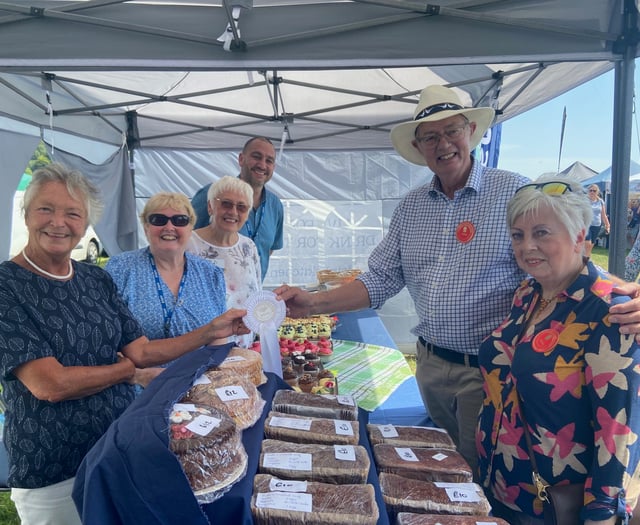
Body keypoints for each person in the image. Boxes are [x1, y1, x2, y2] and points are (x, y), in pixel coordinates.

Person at [274, 84, 640, 476]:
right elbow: (380, 278)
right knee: (438, 470)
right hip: (430, 364)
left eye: (452, 131)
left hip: (490, 368)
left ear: (470, 133)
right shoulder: (412, 207)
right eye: (430, 136)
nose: (442, 143)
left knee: (481, 473)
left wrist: (618, 292)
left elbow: (564, 252)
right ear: (419, 147)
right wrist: (311, 303)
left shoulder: (512, 191)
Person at [0, 164, 249, 525]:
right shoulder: (7, 285)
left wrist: (210, 331)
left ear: (85, 224)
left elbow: (142, 351)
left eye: (73, 213)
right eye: (46, 209)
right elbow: (50, 384)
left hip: (119, 448)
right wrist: (126, 372)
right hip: (53, 467)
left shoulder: (94, 279)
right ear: (26, 214)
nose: (59, 222)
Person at [476, 175, 640, 525]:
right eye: (518, 235)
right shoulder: (528, 294)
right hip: (499, 482)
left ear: (580, 235)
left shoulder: (610, 309)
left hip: (550, 506)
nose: (526, 246)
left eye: (541, 233)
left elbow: (618, 431)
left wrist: (602, 514)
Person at [105, 192, 228, 377]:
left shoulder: (210, 274)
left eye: (180, 220)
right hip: (138, 389)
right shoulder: (120, 269)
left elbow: (219, 339)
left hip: (199, 388)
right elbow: (106, 340)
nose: (169, 227)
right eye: (158, 219)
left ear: (190, 228)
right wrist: (136, 376)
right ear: (146, 227)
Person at [191, 136, 284, 281]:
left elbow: (268, 249)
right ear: (241, 159)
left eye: (269, 161)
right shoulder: (213, 194)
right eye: (256, 157)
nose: (262, 165)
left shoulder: (275, 205)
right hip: (209, 294)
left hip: (250, 296)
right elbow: (186, 238)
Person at [187, 176, 261, 348]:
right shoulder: (189, 245)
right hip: (200, 350)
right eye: (226, 204)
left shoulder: (248, 246)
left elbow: (256, 292)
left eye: (241, 207)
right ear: (210, 207)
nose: (233, 212)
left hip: (243, 349)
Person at [585, 184, 610, 256]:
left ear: (597, 192)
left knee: (591, 244)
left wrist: (607, 225)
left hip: (597, 225)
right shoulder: (584, 201)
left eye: (594, 191)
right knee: (587, 242)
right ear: (588, 191)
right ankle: (585, 259)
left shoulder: (600, 201)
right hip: (586, 224)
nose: (592, 192)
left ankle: (586, 258)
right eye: (590, 190)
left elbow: (603, 215)